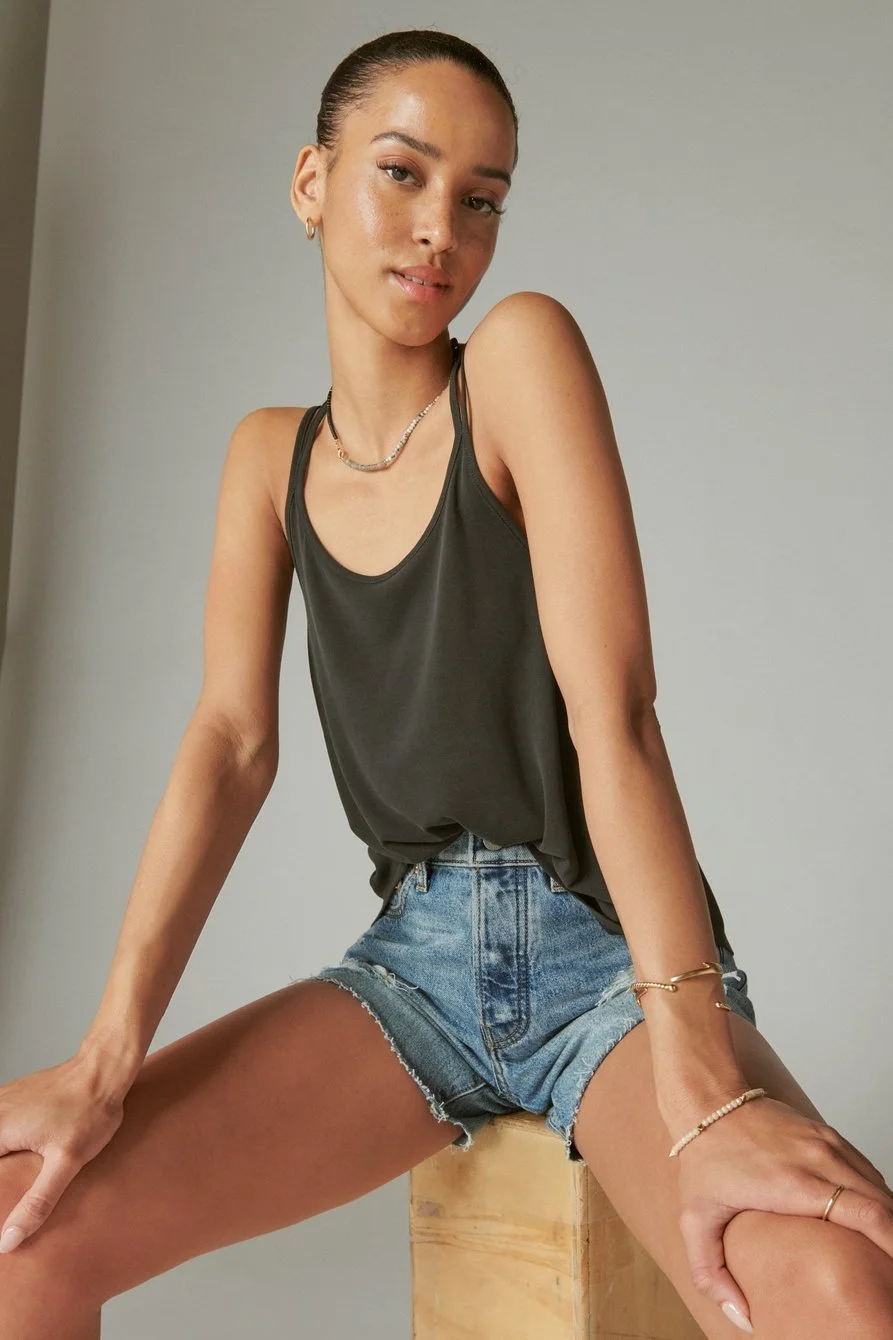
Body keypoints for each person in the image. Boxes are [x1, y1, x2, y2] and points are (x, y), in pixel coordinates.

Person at [0, 26, 890, 1340]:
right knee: (25, 1228)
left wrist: (703, 1083)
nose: (441, 233)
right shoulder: (266, 463)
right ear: (312, 183)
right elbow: (232, 743)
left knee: (837, 1283)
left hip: (604, 957)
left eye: (480, 200)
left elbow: (617, 719)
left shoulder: (520, 361)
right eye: (403, 175)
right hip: (409, 976)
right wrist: (103, 1060)